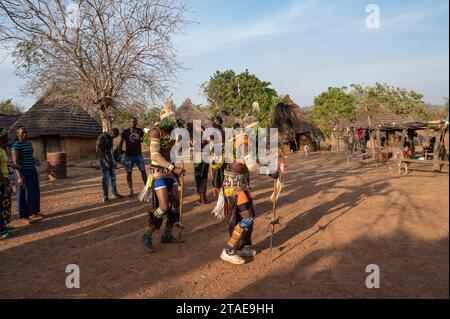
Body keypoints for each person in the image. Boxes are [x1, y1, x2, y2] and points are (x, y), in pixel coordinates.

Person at [212, 102, 297, 265]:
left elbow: (255, 160)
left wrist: (272, 167)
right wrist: (270, 171)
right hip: (234, 186)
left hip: (239, 184)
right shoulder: (243, 141)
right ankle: (229, 249)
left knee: (249, 216)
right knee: (248, 217)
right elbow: (251, 165)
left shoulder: (246, 141)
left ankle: (240, 245)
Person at [142, 97, 186, 253]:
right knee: (164, 206)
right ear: (164, 119)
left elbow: (173, 152)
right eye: (171, 118)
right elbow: (155, 156)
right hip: (159, 173)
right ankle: (147, 234)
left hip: (171, 172)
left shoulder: (173, 132)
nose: (174, 121)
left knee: (175, 203)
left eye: (175, 118)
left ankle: (167, 234)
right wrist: (173, 167)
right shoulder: (156, 131)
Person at [11, 126, 44, 224]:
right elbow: (15, 163)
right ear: (18, 134)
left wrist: (35, 161)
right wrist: (19, 177)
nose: (25, 134)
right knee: (25, 193)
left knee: (34, 191)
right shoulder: (16, 146)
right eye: (23, 133)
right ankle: (25, 215)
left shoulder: (29, 144)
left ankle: (33, 212)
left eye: (26, 132)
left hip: (31, 170)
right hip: (22, 172)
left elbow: (29, 156)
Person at [117, 117, 148, 197]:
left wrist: (138, 139)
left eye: (134, 122)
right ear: (129, 122)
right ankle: (131, 190)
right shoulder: (125, 132)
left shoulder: (140, 131)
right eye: (131, 122)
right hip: (129, 156)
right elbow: (120, 143)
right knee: (129, 173)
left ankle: (147, 188)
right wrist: (119, 154)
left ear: (137, 122)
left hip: (138, 155)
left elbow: (144, 140)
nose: (133, 123)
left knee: (143, 171)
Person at [96, 128, 122, 202]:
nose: (114, 138)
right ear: (111, 133)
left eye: (115, 137)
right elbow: (99, 151)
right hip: (102, 159)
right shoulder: (102, 137)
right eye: (114, 136)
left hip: (109, 159)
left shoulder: (110, 138)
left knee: (113, 176)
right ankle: (105, 196)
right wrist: (105, 161)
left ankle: (114, 193)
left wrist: (113, 160)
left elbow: (109, 151)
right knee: (105, 177)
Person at [0, 128, 13, 238]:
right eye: (4, 138)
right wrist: (5, 182)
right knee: (1, 204)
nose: (6, 139)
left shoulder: (2, 150)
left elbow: (3, 164)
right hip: (1, 181)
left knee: (6, 204)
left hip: (5, 179)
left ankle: (4, 226)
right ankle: (1, 230)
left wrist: (11, 165)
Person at [210, 114, 226, 197]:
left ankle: (216, 189)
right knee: (223, 174)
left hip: (217, 155)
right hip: (223, 154)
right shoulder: (224, 132)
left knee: (216, 173)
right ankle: (221, 192)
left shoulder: (213, 133)